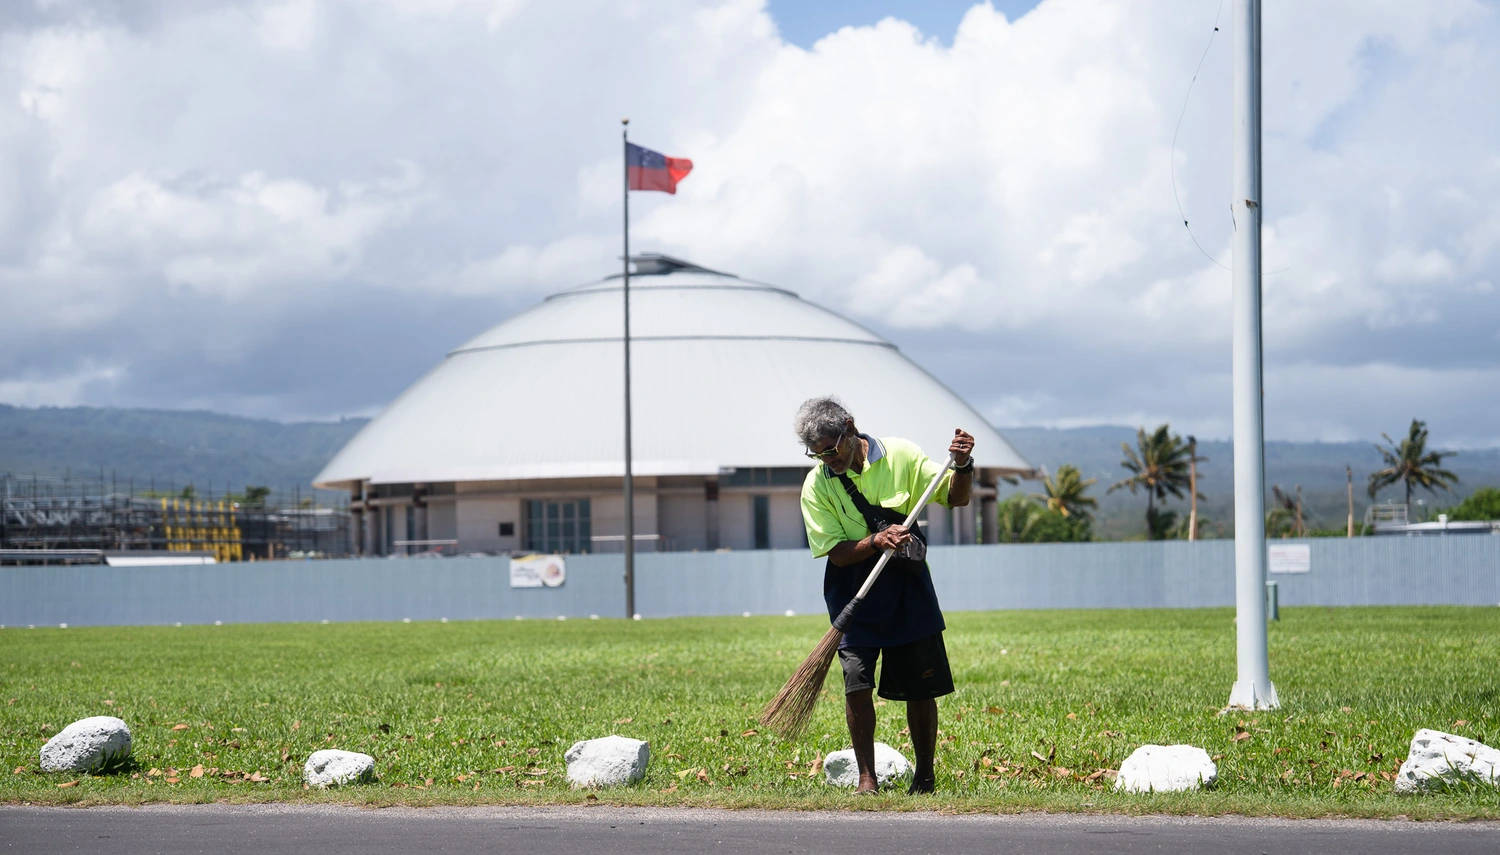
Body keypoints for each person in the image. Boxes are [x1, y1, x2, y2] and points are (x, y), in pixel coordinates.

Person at [794, 396, 975, 794]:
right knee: (856, 681)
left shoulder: (901, 455)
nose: (827, 459)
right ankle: (866, 778)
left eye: (830, 449)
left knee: (921, 686)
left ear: (849, 427)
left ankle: (924, 777)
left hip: (907, 587)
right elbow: (837, 553)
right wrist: (876, 540)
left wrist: (962, 466)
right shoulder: (817, 485)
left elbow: (956, 497)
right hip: (853, 591)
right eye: (817, 454)